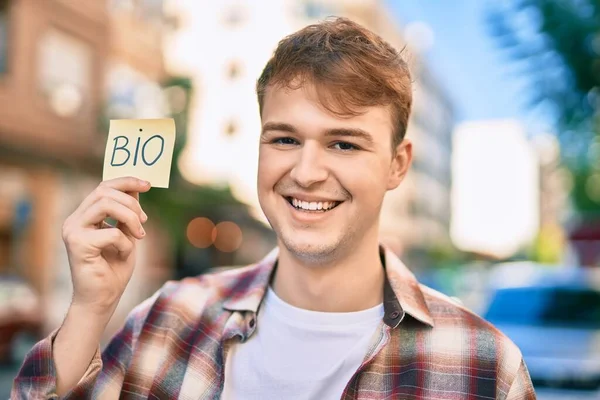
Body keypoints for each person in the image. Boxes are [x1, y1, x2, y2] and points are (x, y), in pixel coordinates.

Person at [12, 17, 535, 400]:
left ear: (398, 165)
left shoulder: (485, 367)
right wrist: (90, 309)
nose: (306, 171)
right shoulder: (169, 320)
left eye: (344, 144)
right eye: (284, 139)